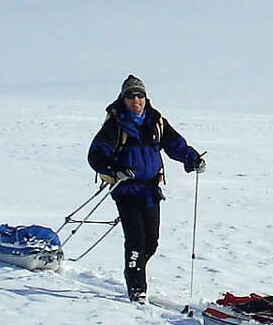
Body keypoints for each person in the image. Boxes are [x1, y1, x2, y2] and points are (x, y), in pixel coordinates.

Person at [86, 75, 203, 304]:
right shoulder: (115, 124)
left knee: (151, 242)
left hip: (151, 191)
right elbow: (96, 154)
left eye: (139, 95)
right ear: (123, 98)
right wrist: (115, 168)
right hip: (126, 191)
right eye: (130, 96)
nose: (135, 100)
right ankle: (136, 288)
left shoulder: (155, 121)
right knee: (136, 241)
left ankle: (135, 268)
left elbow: (174, 144)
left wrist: (192, 159)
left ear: (145, 98)